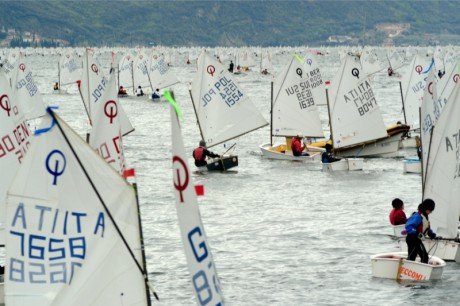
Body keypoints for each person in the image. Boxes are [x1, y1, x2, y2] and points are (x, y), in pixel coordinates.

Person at [405, 199, 441, 264]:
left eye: (431, 210)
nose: (430, 212)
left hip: (417, 240)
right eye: (429, 210)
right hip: (412, 239)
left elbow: (427, 228)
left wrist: (433, 235)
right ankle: (410, 270)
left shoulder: (425, 216)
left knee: (424, 257)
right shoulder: (418, 216)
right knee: (416, 257)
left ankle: (420, 271)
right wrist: (417, 234)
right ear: (425, 208)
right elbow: (409, 226)